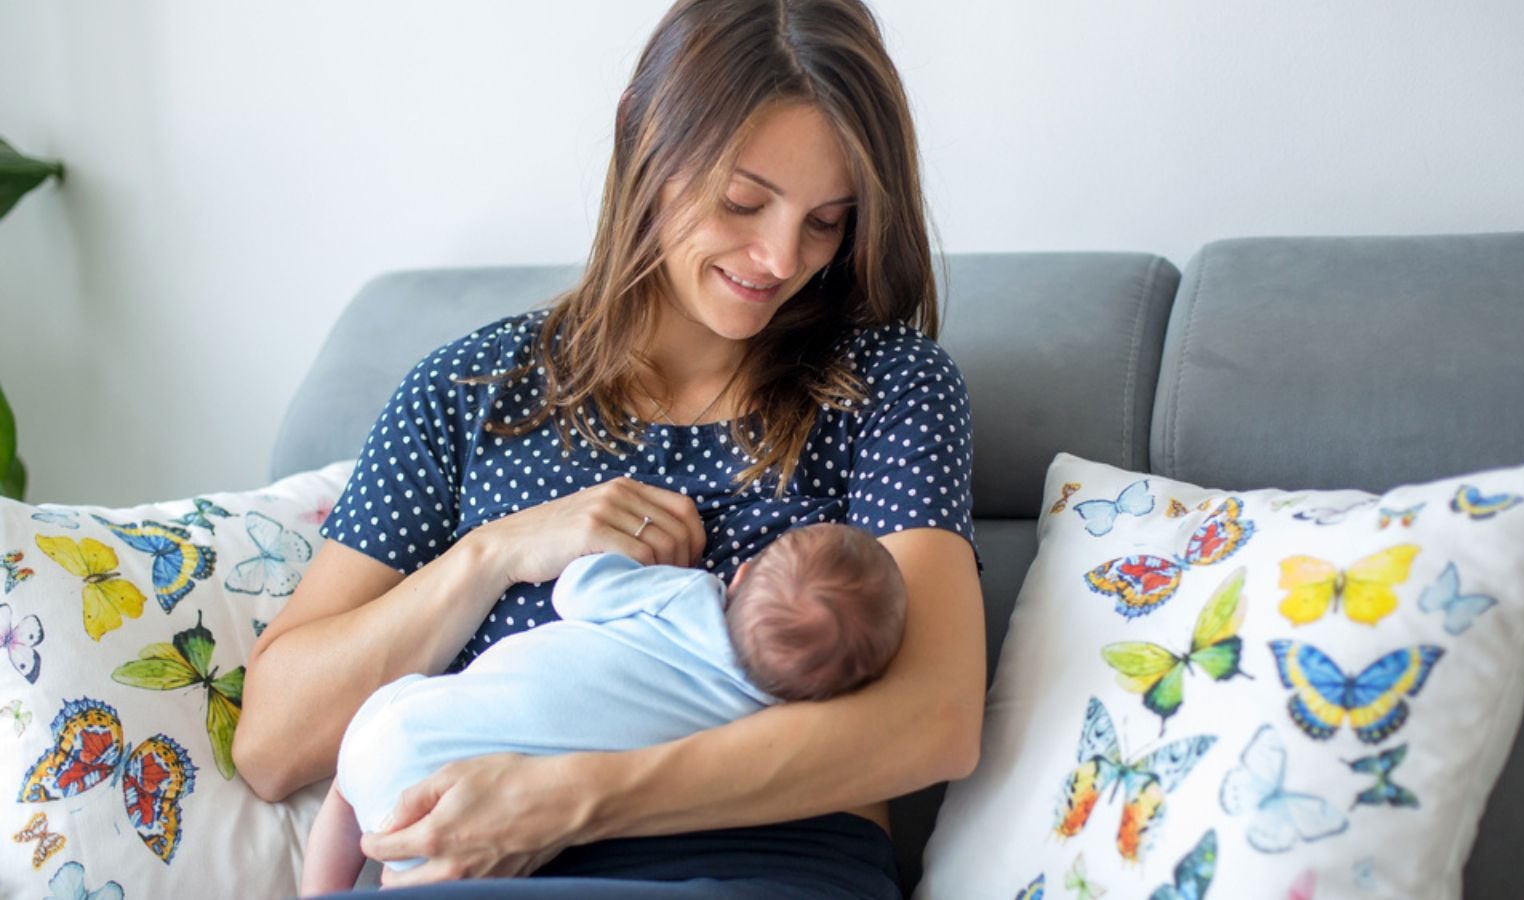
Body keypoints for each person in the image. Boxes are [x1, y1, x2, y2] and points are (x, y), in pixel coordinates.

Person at [235, 0, 986, 896]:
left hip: (768, 866)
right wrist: (494, 554)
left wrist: (572, 797)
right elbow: (273, 746)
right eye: (743, 200)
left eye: (827, 221)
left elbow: (935, 720)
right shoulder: (468, 395)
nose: (782, 257)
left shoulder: (886, 385)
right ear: (642, 133)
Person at [300, 522, 908, 896]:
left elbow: (579, 588)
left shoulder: (686, 594)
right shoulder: (753, 724)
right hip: (460, 818)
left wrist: (649, 567)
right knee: (402, 852)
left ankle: (318, 890)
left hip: (405, 727)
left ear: (742, 573)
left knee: (350, 791)